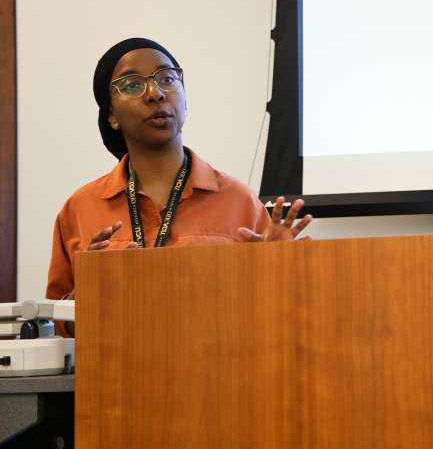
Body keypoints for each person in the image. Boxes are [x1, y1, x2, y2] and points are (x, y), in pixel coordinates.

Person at [45, 38, 311, 324]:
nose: (155, 93)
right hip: (114, 365)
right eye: (132, 84)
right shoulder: (80, 209)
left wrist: (280, 269)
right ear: (111, 116)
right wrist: (85, 293)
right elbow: (56, 331)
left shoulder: (239, 201)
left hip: (216, 366)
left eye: (167, 78)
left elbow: (277, 317)